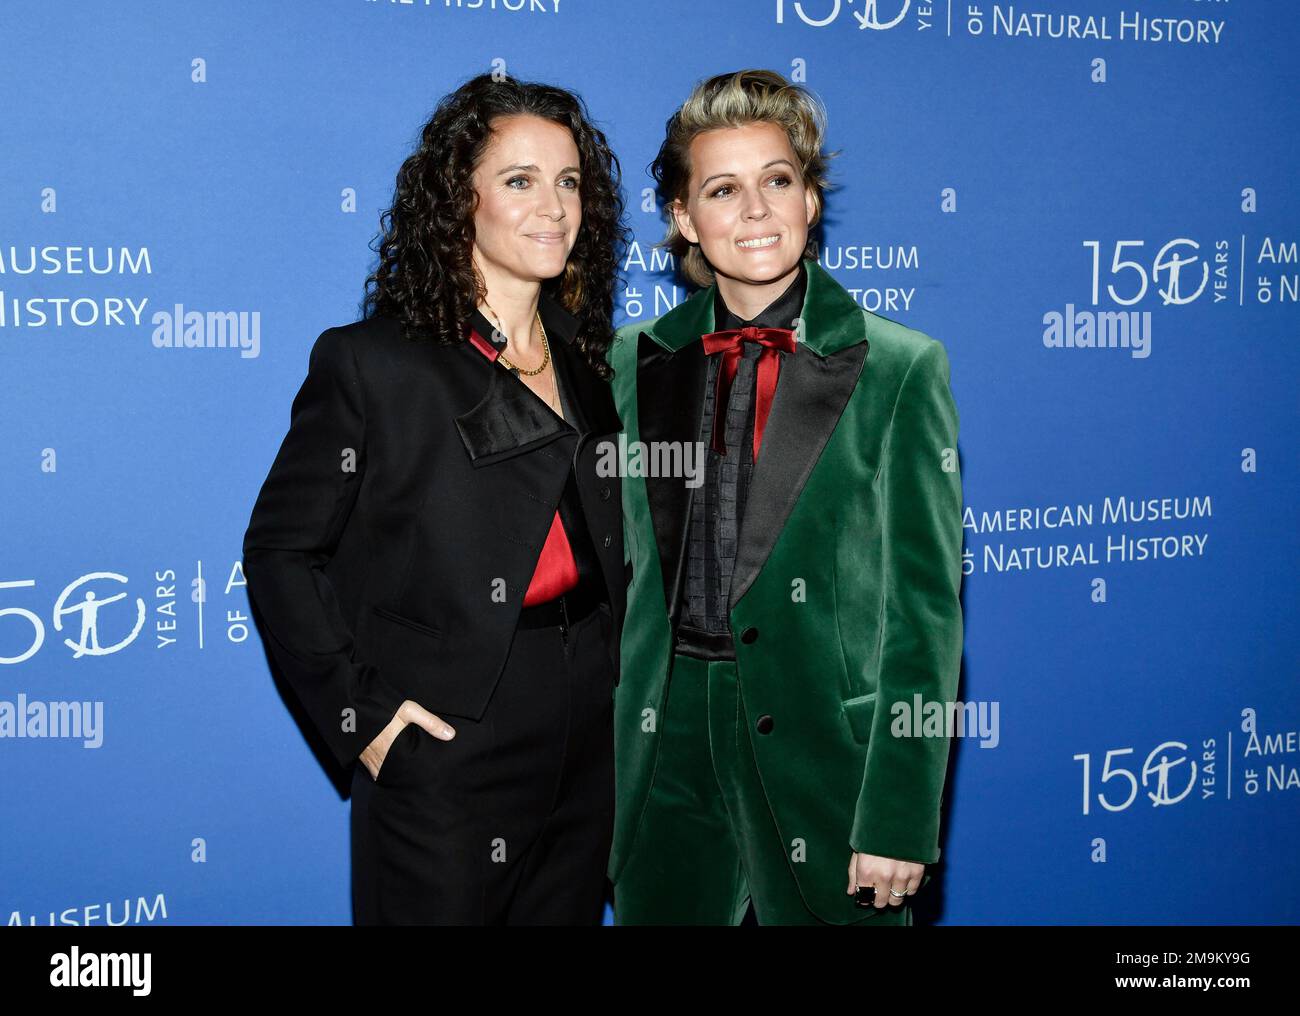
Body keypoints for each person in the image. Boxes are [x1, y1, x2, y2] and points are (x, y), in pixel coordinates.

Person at [241, 72, 628, 925]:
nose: (554, 207)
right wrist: (367, 719)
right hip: (449, 735)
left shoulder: (590, 357)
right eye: (520, 181)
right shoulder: (376, 363)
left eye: (569, 182)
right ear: (461, 203)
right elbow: (279, 552)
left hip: (588, 725)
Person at [608, 69, 964, 925]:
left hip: (824, 755)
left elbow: (925, 617)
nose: (756, 210)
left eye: (778, 181)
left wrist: (900, 817)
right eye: (723, 190)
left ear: (810, 201)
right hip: (666, 747)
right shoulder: (631, 360)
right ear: (686, 220)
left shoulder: (900, 367)